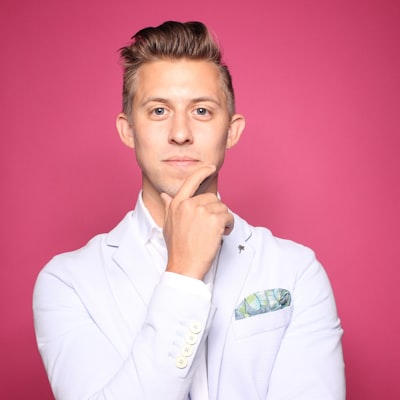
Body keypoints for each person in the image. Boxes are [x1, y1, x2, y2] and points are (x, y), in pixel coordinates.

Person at [33, 21, 345, 400]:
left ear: (232, 130)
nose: (180, 133)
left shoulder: (296, 271)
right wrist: (183, 274)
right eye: (158, 110)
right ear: (128, 130)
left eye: (201, 110)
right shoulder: (67, 283)